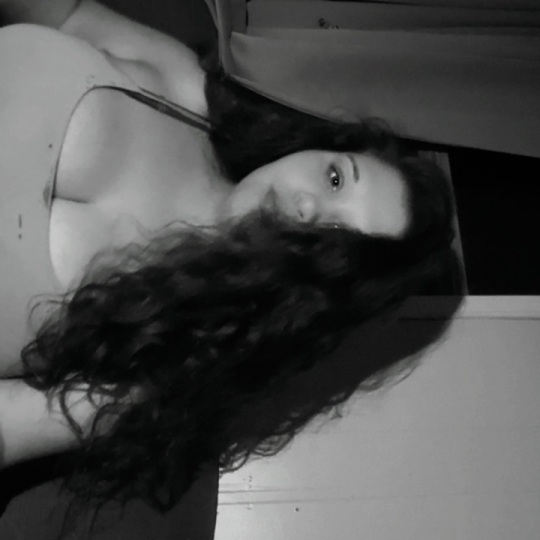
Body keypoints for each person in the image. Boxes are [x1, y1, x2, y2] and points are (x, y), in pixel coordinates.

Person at [0, 0, 458, 517]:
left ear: (319, 292)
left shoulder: (154, 364)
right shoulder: (180, 89)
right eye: (335, 178)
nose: (308, 206)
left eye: (335, 239)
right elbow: (63, 13)